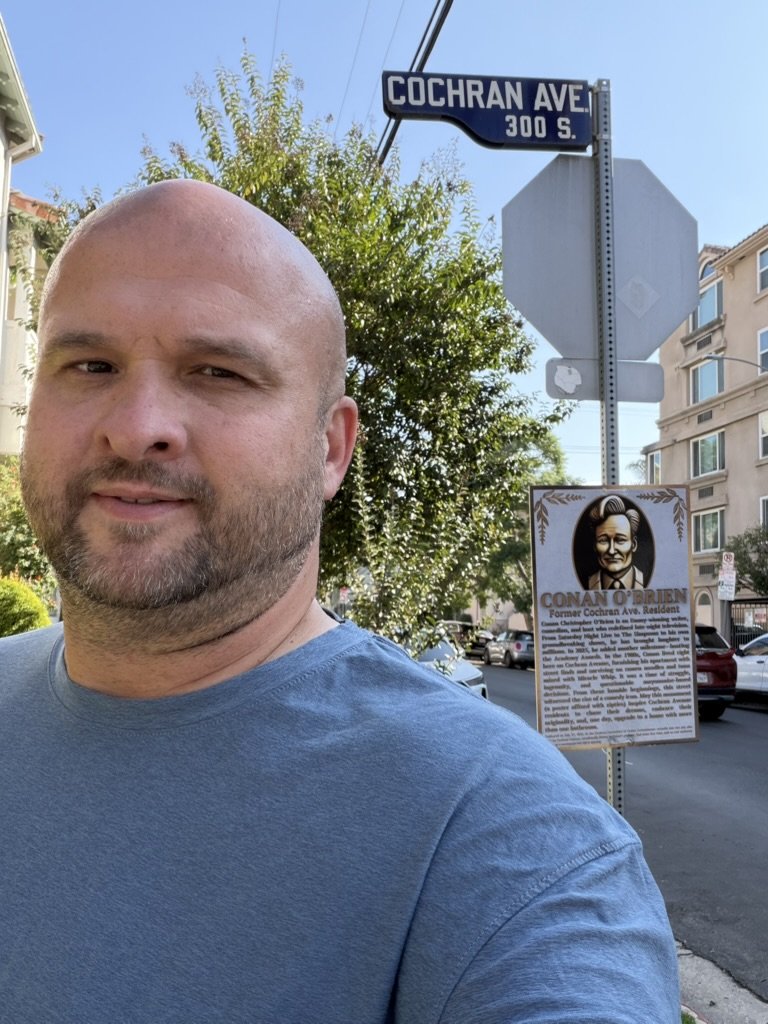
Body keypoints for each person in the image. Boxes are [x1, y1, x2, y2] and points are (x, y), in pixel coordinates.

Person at [0, 180, 680, 1023]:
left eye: (217, 372)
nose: (137, 425)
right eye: (90, 365)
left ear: (330, 449)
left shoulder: (508, 840)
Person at [587, 493, 647, 590]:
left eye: (620, 540)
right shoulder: (589, 583)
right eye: (603, 540)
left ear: (634, 544)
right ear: (595, 546)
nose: (611, 551)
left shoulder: (646, 580)